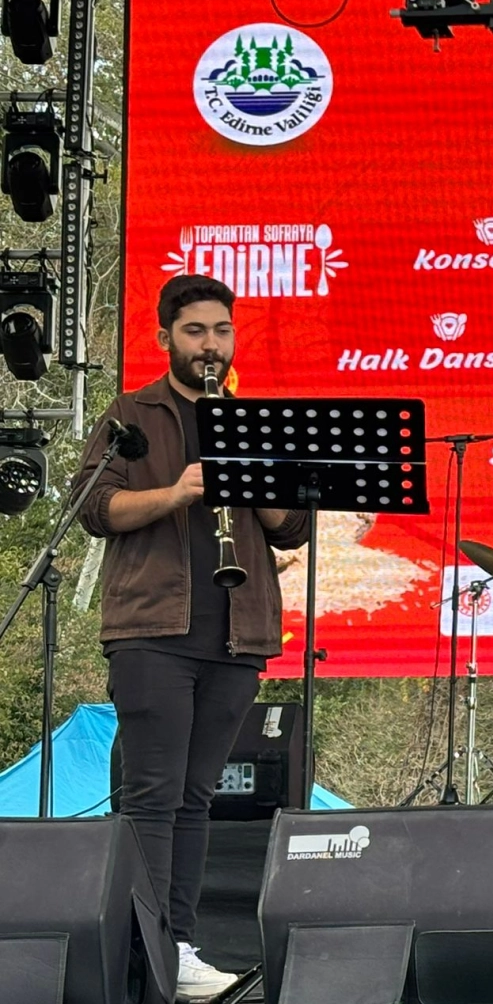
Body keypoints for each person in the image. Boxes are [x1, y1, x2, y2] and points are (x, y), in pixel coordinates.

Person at [72, 274, 310, 1001]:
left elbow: (293, 528)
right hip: (152, 628)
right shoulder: (132, 412)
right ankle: (143, 949)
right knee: (151, 795)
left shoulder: (252, 418)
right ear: (165, 338)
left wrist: (254, 483)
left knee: (195, 797)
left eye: (222, 331)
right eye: (196, 331)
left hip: (237, 634)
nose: (211, 345)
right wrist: (177, 491)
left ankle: (175, 945)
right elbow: (93, 507)